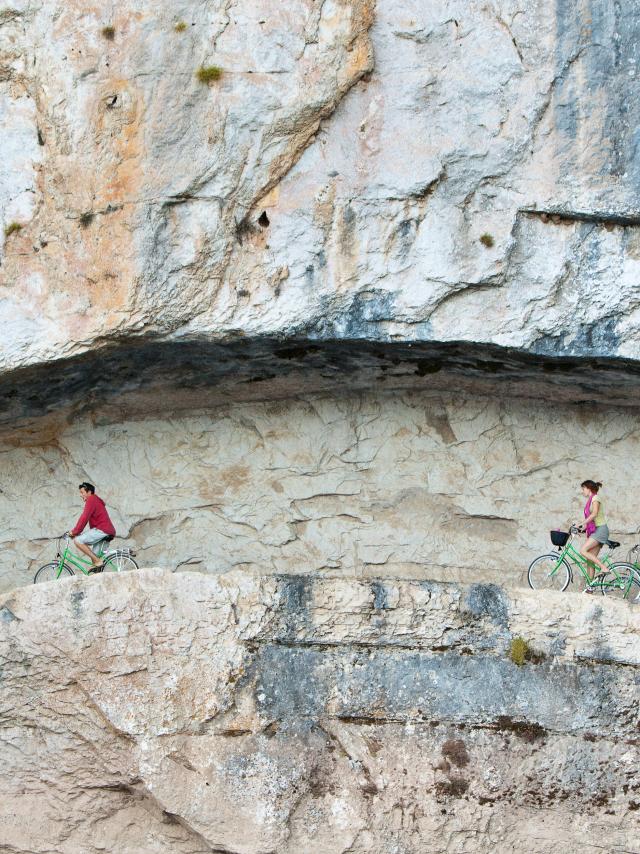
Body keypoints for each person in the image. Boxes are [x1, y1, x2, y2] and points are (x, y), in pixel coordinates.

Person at [69, 482, 116, 574]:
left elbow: (84, 517)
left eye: (82, 492)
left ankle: (98, 561)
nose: (81, 495)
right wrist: (77, 532)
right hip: (107, 531)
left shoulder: (91, 499)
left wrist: (74, 532)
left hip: (102, 530)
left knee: (78, 541)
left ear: (89, 492)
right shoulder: (95, 500)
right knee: (95, 564)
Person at [578, 479, 609, 593]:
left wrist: (582, 522)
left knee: (583, 550)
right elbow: (593, 519)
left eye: (583, 489)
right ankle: (590, 588)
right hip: (596, 530)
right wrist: (582, 528)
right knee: (590, 561)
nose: (583, 491)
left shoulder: (595, 498)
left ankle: (603, 567)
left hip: (601, 530)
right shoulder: (590, 500)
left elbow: (594, 513)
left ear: (589, 488)